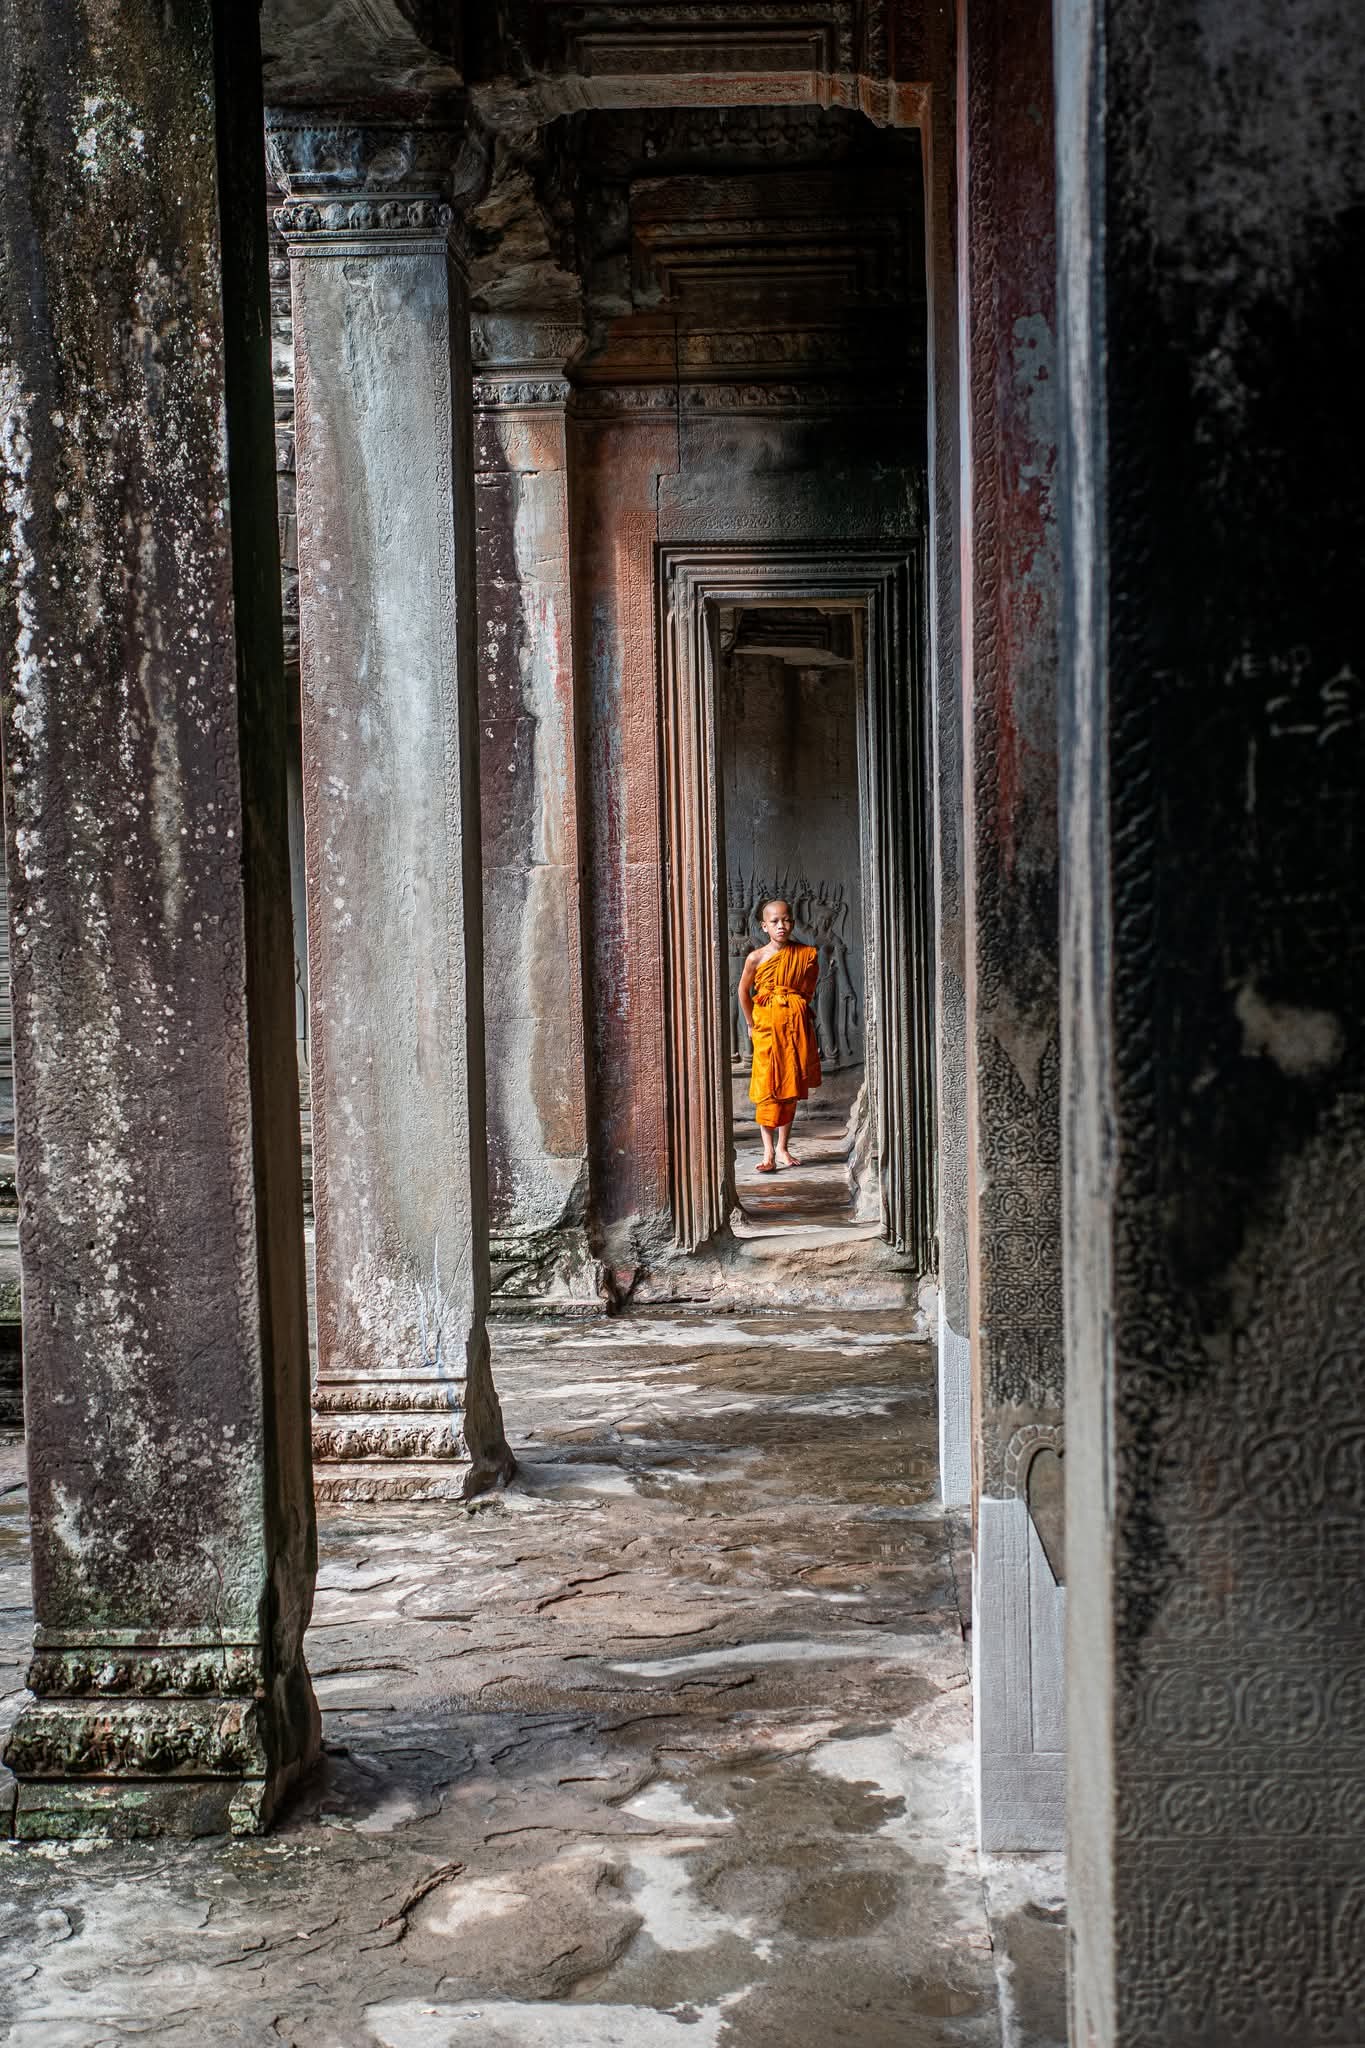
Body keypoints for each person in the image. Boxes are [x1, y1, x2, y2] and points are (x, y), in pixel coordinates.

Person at [738, 897, 821, 1172]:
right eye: (774, 921)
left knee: (790, 1087)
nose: (781, 926)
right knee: (766, 1088)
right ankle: (768, 1152)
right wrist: (751, 1023)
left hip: (794, 1027)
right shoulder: (756, 957)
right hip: (766, 1027)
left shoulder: (806, 954)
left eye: (786, 920)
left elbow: (808, 991)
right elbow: (743, 992)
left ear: (793, 923)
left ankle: (784, 1148)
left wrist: (795, 1011)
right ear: (764, 926)